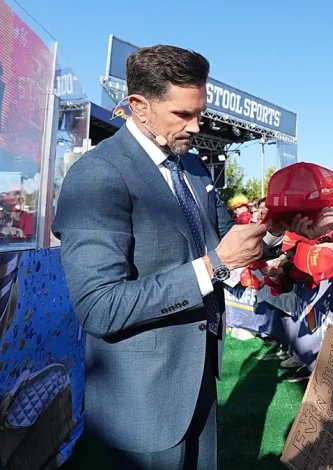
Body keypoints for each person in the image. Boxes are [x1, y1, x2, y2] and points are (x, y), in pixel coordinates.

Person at [53, 45, 275, 469]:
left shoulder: (191, 167)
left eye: (199, 113)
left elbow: (229, 239)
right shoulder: (98, 175)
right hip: (143, 398)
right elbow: (101, 307)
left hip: (199, 375)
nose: (196, 127)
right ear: (138, 106)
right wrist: (214, 266)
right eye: (182, 115)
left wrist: (282, 231)